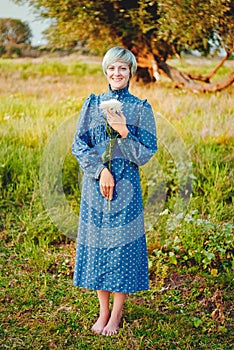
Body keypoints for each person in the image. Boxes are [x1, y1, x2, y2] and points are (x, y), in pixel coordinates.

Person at [72, 46, 157, 336]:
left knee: (121, 248)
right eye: (111, 68)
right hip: (96, 187)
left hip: (127, 190)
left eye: (122, 68)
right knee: (98, 246)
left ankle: (116, 315)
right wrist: (100, 171)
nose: (116, 73)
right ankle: (102, 311)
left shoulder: (141, 108)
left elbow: (145, 153)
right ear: (105, 72)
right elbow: (79, 145)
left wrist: (123, 131)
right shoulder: (92, 104)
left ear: (131, 72)